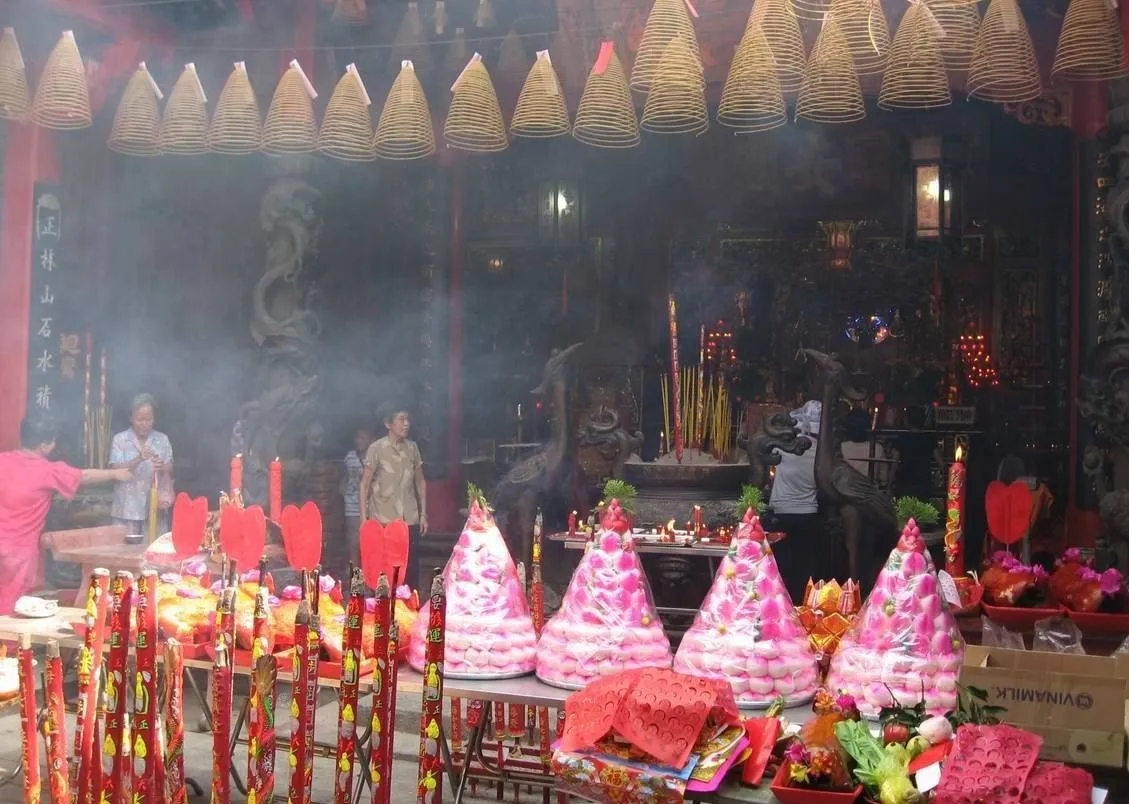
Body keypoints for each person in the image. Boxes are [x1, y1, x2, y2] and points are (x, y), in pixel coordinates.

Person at [0, 418, 132, 614]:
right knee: (13, 603)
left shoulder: (3, 460)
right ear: (45, 445)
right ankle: (9, 643)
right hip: (19, 551)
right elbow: (84, 476)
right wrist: (116, 474)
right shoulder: (48, 470)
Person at [360, 405, 427, 591]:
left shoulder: (412, 448)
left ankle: (408, 609)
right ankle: (382, 610)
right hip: (384, 519)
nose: (406, 424)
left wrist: (423, 514)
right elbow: (364, 484)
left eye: (408, 420)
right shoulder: (376, 449)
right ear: (388, 424)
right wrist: (364, 519)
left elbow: (420, 481)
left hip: (409, 519)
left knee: (410, 567)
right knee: (384, 570)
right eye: (401, 419)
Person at [767, 400, 824, 601]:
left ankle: (779, 604)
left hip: (781, 513)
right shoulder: (822, 452)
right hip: (808, 514)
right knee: (805, 568)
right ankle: (801, 606)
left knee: (779, 566)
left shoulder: (783, 446)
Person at [109, 394, 174, 534]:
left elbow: (170, 466)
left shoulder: (162, 439)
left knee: (154, 550)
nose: (144, 423)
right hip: (127, 509)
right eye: (140, 419)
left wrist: (161, 466)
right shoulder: (120, 440)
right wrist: (138, 458)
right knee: (125, 552)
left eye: (148, 419)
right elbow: (115, 468)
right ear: (131, 418)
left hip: (155, 507)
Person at [342, 425, 374, 565]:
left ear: (371, 440)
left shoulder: (375, 457)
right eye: (357, 438)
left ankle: (369, 576)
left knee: (370, 543)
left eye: (362, 438)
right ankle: (354, 575)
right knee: (353, 542)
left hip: (372, 507)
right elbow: (343, 478)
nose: (358, 441)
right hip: (352, 506)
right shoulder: (350, 457)